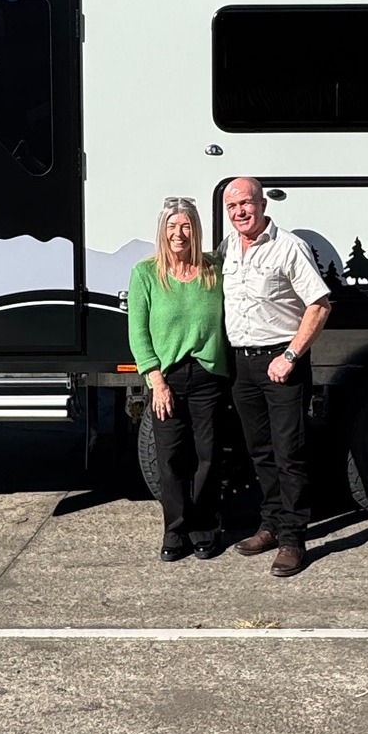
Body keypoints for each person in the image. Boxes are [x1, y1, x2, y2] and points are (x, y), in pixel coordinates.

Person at [221, 177, 332, 578]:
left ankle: (292, 540)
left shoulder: (289, 247)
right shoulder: (229, 247)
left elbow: (319, 306)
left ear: (263, 204)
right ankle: (268, 526)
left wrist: (290, 355)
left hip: (280, 362)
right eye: (232, 206)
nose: (239, 212)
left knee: (290, 453)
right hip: (243, 365)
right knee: (260, 450)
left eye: (246, 203)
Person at [127, 196, 230, 562]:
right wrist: (155, 380)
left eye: (185, 226)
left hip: (208, 375)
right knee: (170, 459)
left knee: (208, 454)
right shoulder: (145, 274)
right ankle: (175, 529)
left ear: (196, 230)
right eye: (172, 226)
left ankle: (204, 524)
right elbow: (138, 332)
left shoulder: (214, 269)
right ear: (162, 232)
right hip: (166, 379)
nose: (179, 233)